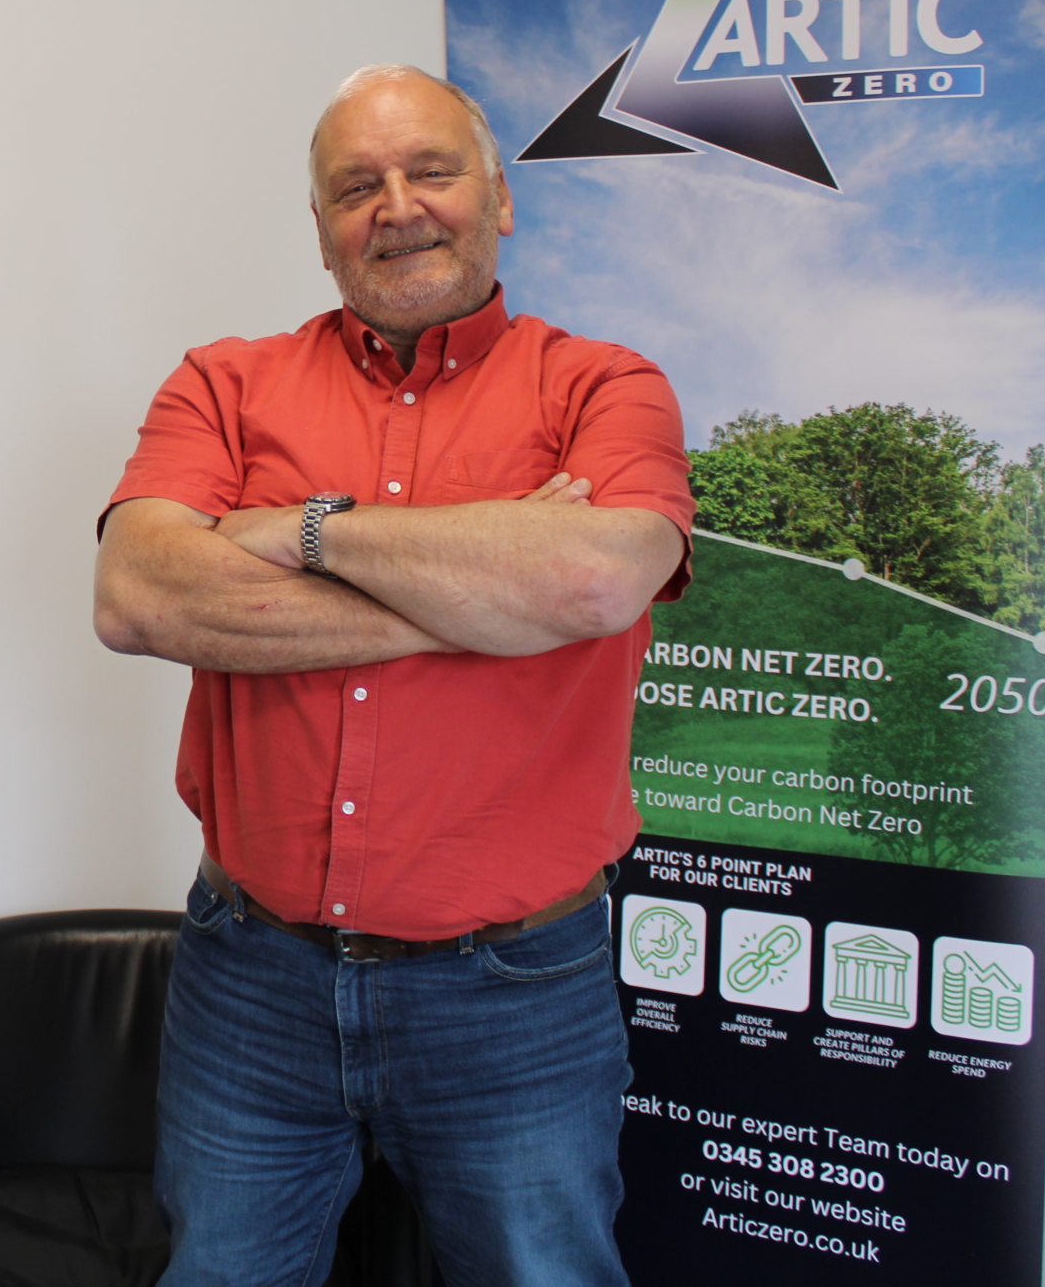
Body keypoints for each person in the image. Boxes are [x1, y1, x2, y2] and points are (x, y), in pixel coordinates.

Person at [92, 65, 695, 1287]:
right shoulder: (224, 381)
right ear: (319, 229)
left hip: (514, 990)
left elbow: (591, 582)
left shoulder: (606, 386)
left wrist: (298, 530)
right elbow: (139, 596)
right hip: (249, 978)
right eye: (355, 186)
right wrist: (482, 593)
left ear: (499, 196)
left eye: (431, 171)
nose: (397, 206)